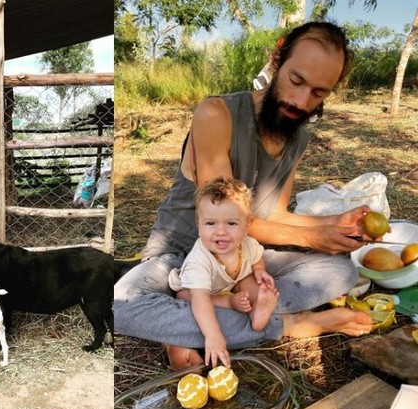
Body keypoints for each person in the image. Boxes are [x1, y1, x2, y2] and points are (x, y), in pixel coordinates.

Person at [114, 21, 374, 371]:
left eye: (318, 93)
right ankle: (289, 325)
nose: (301, 102)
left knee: (340, 270)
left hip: (244, 263)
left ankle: (195, 318)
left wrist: (335, 225)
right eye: (296, 81)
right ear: (277, 59)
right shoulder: (216, 114)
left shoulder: (298, 139)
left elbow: (276, 215)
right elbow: (230, 218)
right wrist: (314, 235)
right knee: (122, 304)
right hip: (180, 256)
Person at [169, 176, 279, 368]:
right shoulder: (198, 261)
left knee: (251, 281)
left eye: (231, 224)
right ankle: (229, 303)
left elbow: (256, 257)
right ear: (198, 224)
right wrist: (213, 335)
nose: (221, 231)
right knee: (183, 297)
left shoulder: (247, 245)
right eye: (210, 224)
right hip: (198, 292)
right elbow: (201, 299)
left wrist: (259, 270)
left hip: (229, 283)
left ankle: (258, 312)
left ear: (246, 226)